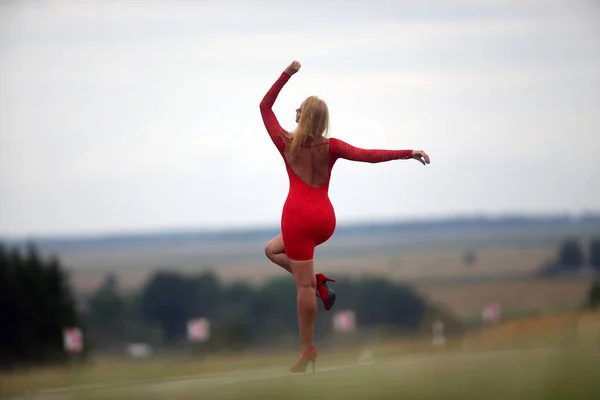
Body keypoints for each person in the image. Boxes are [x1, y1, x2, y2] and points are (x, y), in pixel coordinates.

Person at [259, 60, 430, 373]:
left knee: (303, 288)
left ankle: (307, 346)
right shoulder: (331, 147)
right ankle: (317, 281)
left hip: (297, 218)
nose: (294, 112)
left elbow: (264, 106)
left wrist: (287, 74)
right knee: (271, 250)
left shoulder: (285, 143)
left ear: (305, 117)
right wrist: (409, 152)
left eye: (299, 110)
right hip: (324, 220)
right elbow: (369, 156)